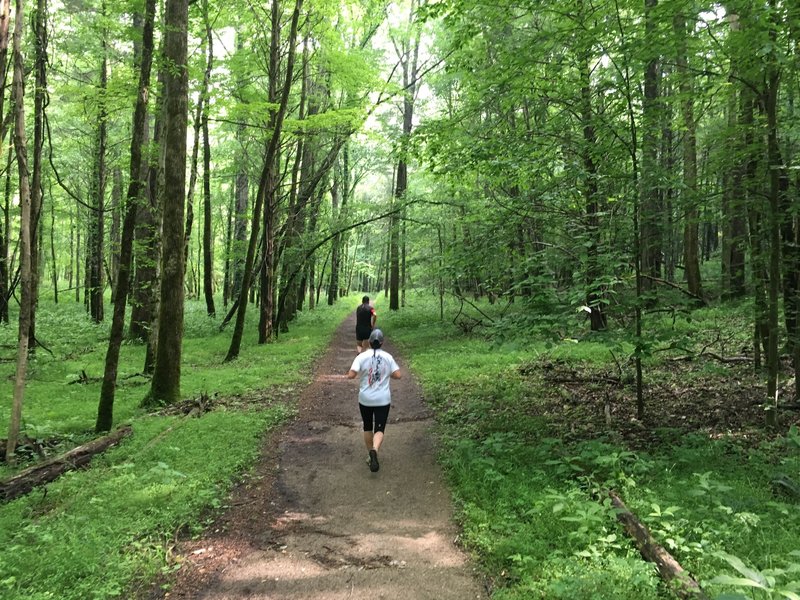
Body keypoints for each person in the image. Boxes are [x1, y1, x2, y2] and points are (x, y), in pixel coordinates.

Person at [347, 329, 401, 472]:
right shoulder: (388, 357)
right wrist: (388, 373)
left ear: (369, 342)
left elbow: (351, 375)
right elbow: (398, 374)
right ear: (382, 342)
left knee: (367, 426)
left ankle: (370, 454)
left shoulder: (361, 356)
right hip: (383, 399)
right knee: (379, 428)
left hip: (365, 399)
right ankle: (375, 450)